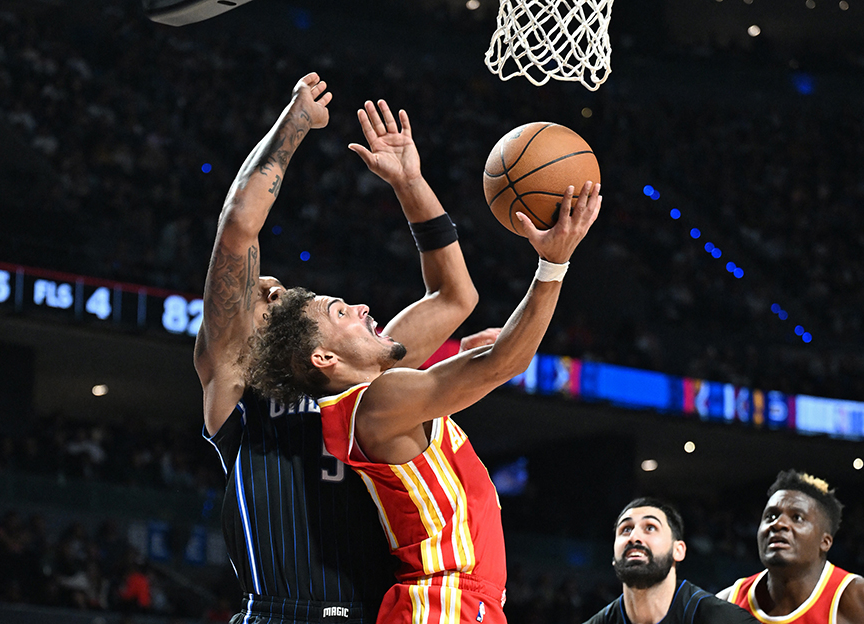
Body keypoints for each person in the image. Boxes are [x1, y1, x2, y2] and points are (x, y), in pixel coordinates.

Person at [248, 149, 602, 623]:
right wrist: (553, 266)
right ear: (325, 358)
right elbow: (503, 364)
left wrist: (409, 181)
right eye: (340, 313)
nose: (360, 308)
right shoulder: (377, 402)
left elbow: (454, 296)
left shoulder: (383, 382)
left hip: (459, 602)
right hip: (441, 602)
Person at [193, 72, 481, 624]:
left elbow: (452, 297)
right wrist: (294, 123)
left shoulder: (364, 371)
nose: (273, 287)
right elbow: (237, 232)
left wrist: (410, 183)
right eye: (264, 293)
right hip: (278, 613)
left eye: (281, 289)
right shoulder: (236, 382)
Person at [718, 470, 864, 623]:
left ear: (825, 542)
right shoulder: (726, 604)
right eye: (770, 516)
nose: (778, 524)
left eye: (797, 517)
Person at [584, 497, 757, 624]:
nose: (634, 537)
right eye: (626, 529)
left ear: (678, 550)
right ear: (614, 557)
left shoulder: (722, 619)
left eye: (650, 527)